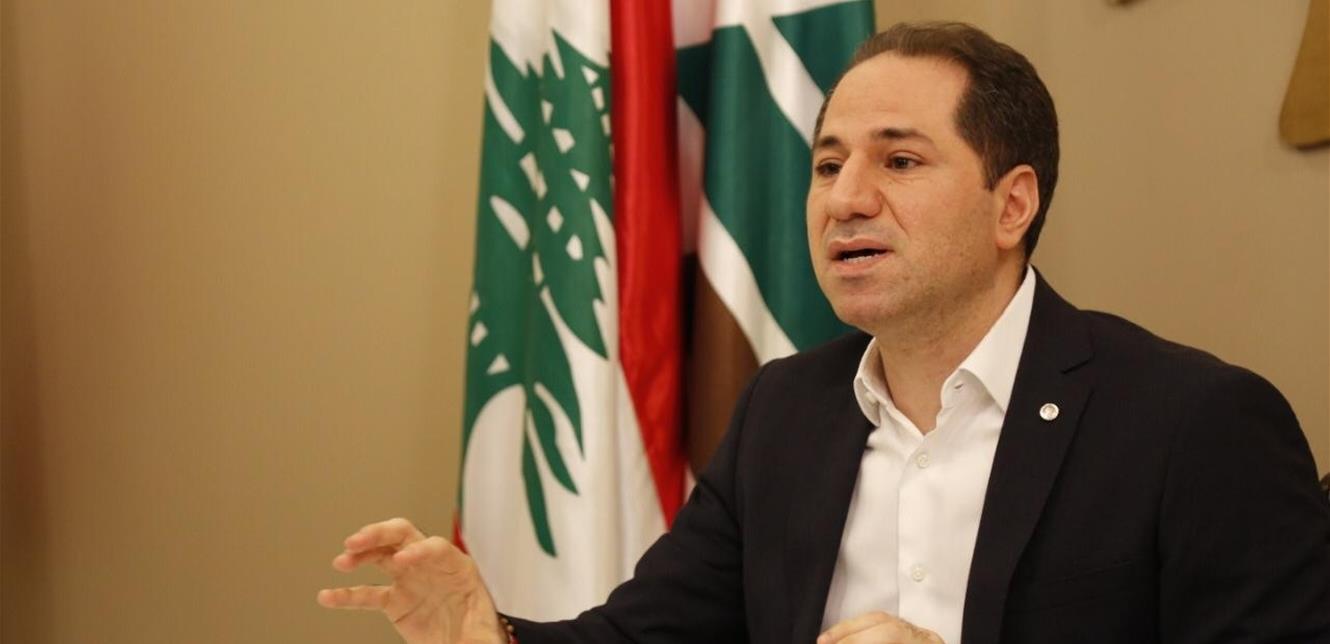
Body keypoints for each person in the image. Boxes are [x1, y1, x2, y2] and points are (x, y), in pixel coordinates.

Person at [317, 22, 1330, 644]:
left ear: (1012, 203)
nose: (844, 198)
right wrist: (488, 634)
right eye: (828, 163)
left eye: (899, 161)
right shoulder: (786, 411)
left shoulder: (1191, 422)